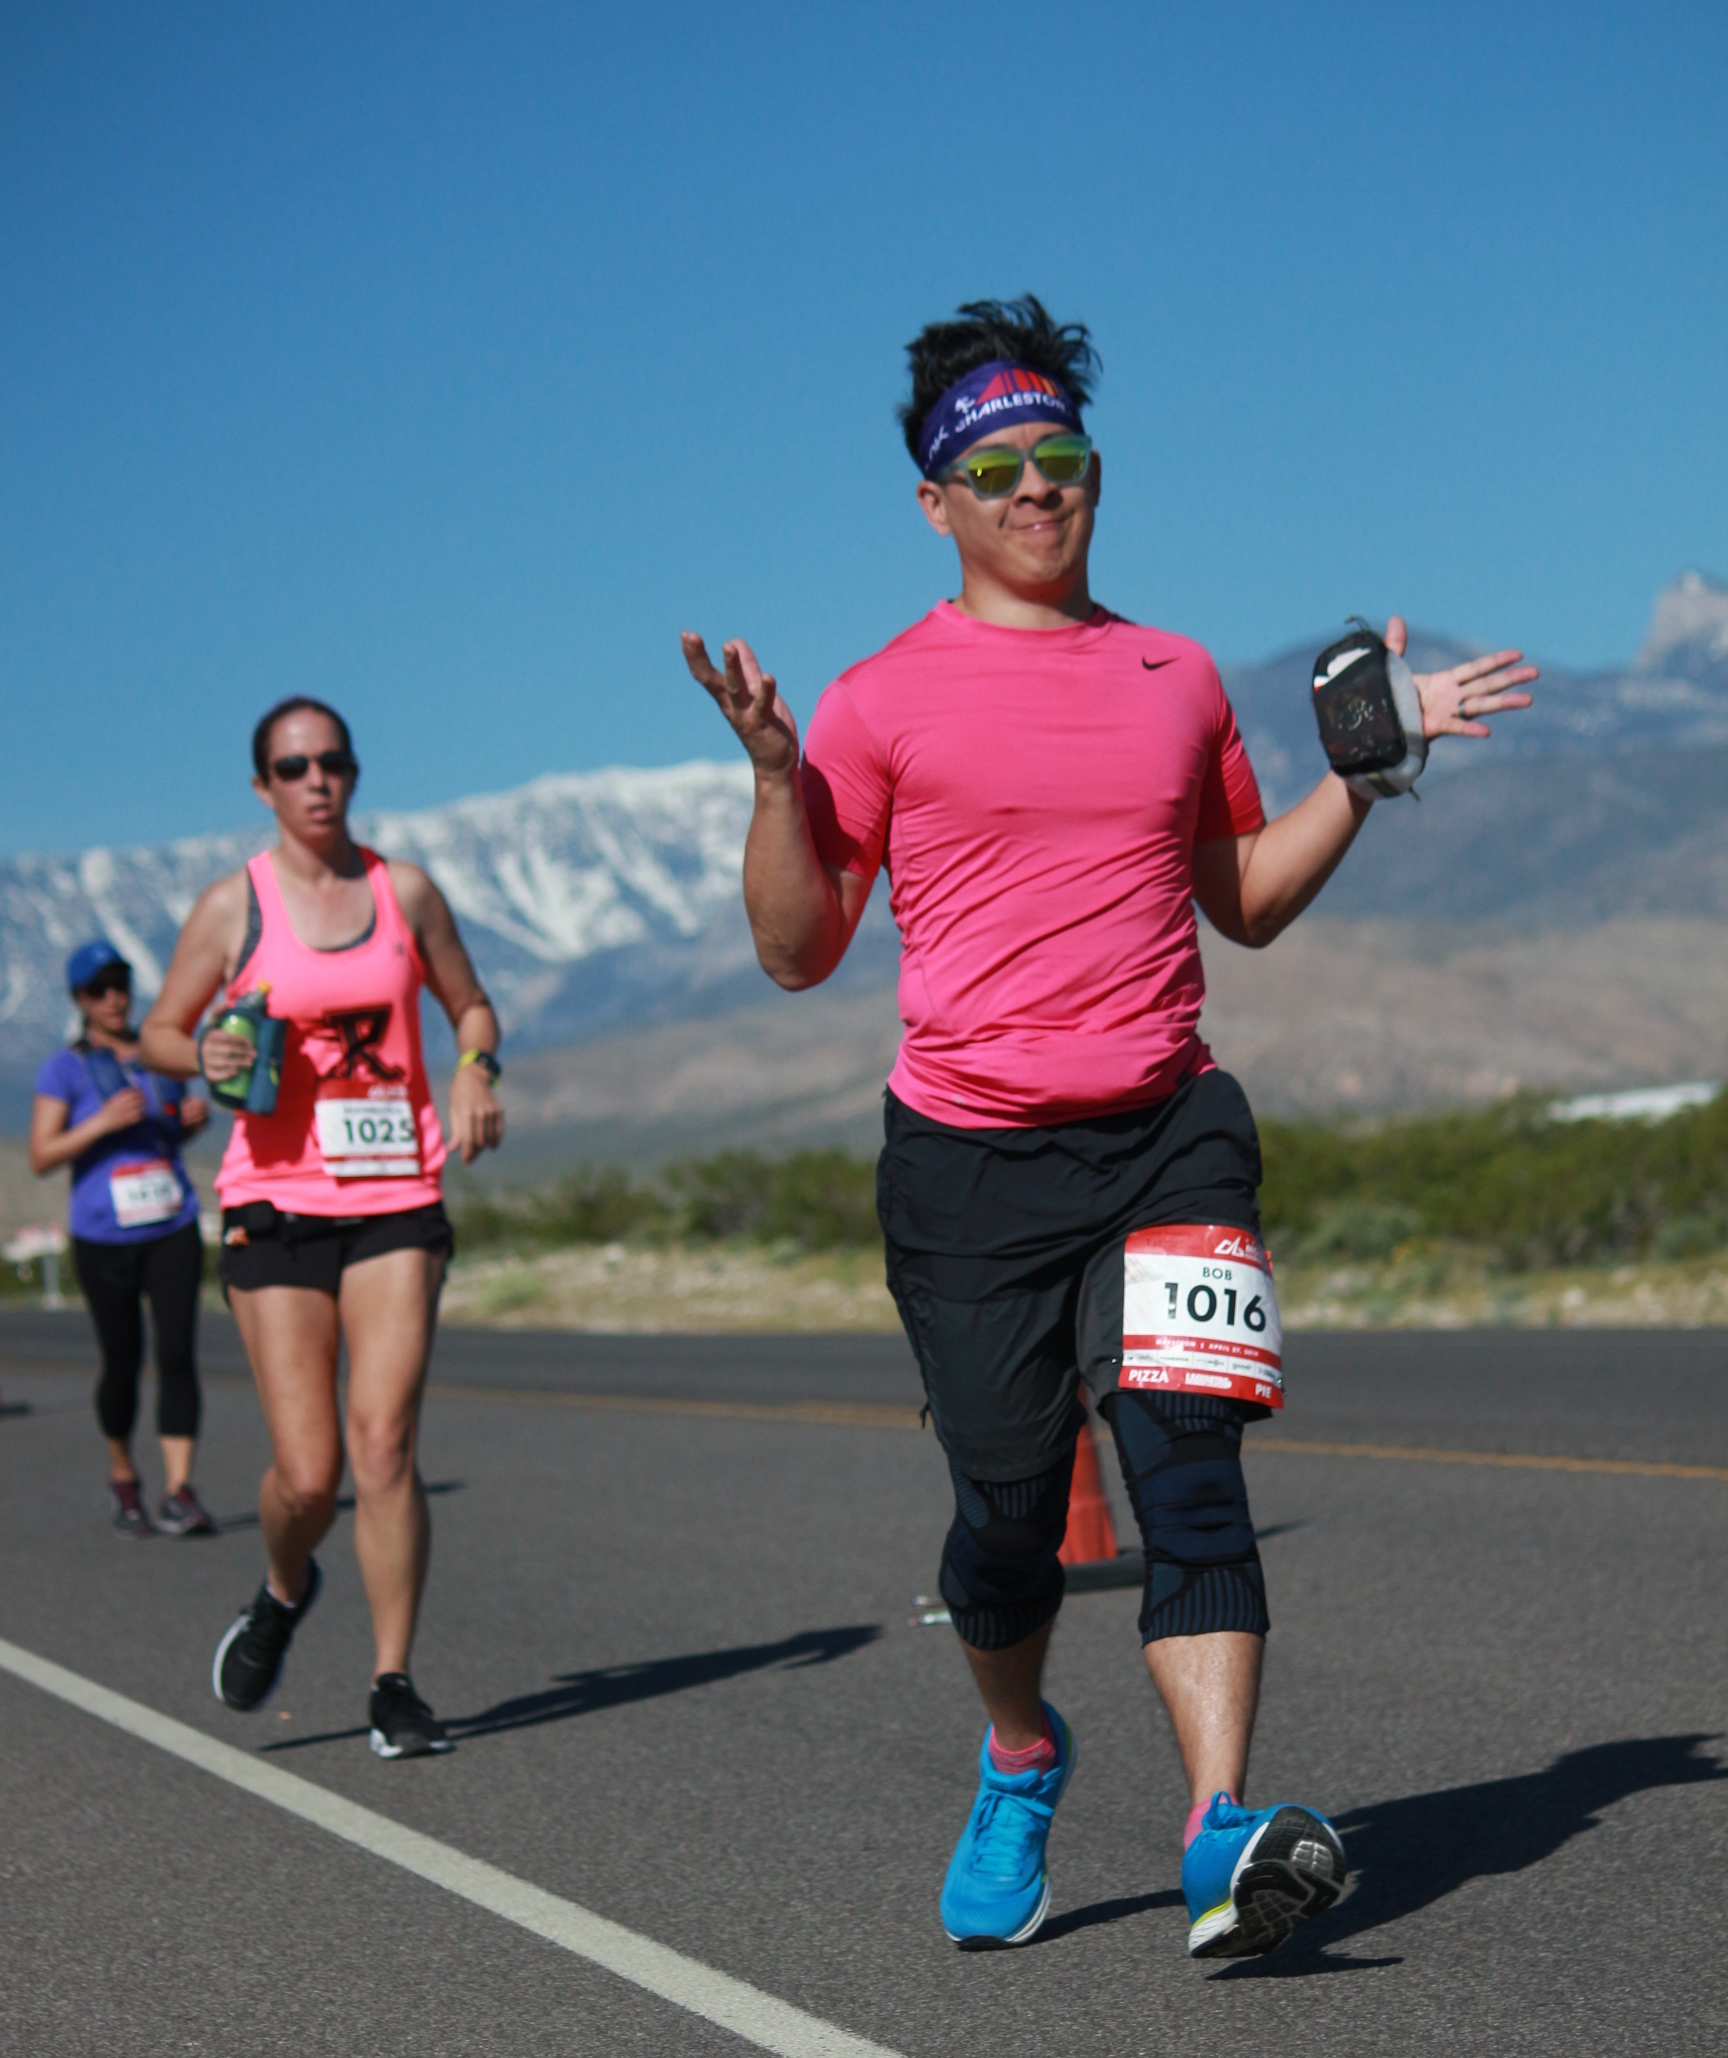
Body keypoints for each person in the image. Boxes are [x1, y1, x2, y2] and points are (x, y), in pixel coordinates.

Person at [683, 296, 1538, 1958]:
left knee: (1190, 1471)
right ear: (935, 502)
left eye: (1058, 453)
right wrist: (779, 783)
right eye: (991, 465)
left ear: (1094, 470)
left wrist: (1368, 772)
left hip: (1165, 1130)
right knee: (1008, 1519)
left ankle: (1221, 1832)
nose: (1034, 485)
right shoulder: (872, 702)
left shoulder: (1174, 677)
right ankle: (1019, 1750)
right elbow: (795, 951)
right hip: (966, 1164)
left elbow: (1246, 903)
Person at [139, 697, 504, 1759]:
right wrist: (201, 1053)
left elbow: (471, 1005)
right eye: (294, 767)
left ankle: (395, 1683)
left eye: (332, 761)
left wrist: (475, 1069)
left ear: (353, 771)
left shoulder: (406, 892)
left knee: (383, 1446)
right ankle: (284, 1586)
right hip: (276, 1202)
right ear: (263, 786)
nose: (317, 781)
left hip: (396, 1195)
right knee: (308, 1475)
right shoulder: (233, 906)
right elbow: (161, 1031)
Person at [31, 939, 216, 1536]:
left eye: (120, 985)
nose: (113, 998)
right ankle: (123, 1475)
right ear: (79, 1000)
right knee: (122, 1362)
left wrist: (189, 1124)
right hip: (103, 1235)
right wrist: (101, 1123)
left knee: (177, 1354)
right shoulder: (65, 1069)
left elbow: (168, 1131)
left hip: (172, 1223)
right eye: (98, 990)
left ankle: (179, 1489)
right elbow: (41, 1154)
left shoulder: (159, 1053)